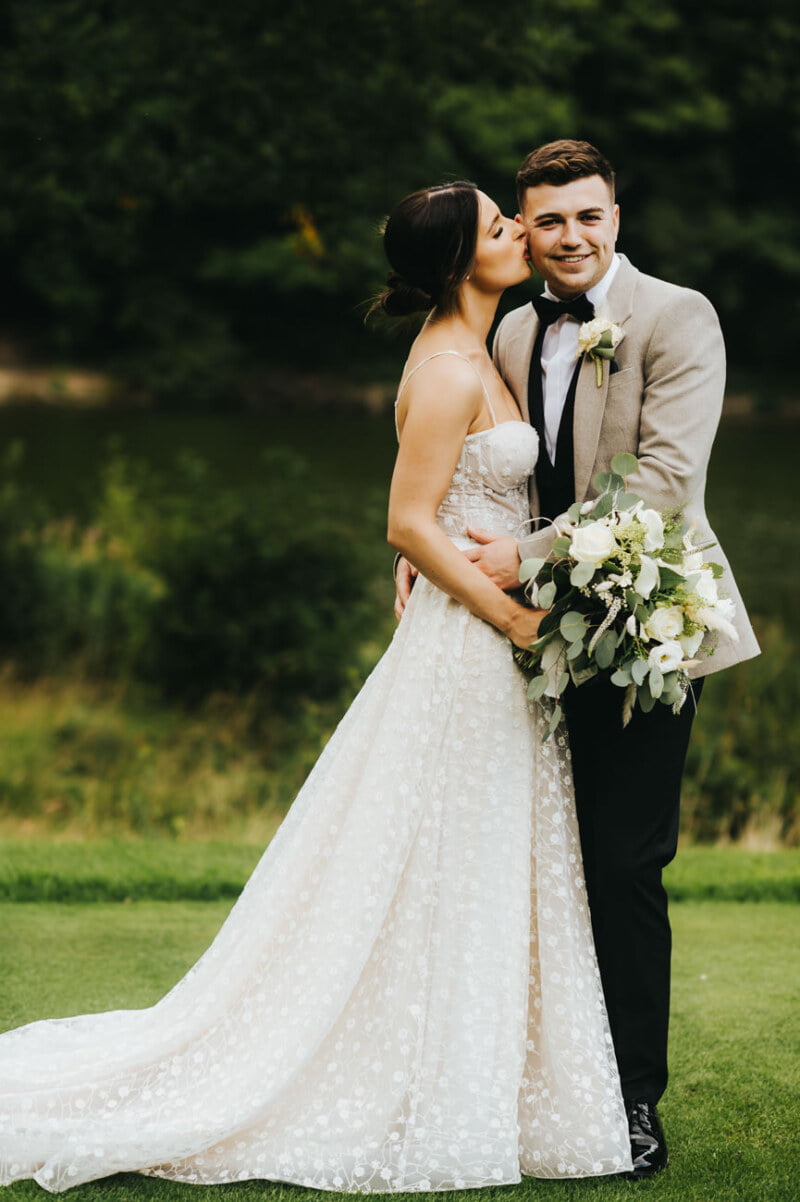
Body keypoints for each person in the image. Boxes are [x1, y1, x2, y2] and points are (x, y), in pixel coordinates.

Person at [0, 181, 634, 1192]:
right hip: (468, 646)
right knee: (442, 849)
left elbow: (472, 503)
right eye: (499, 225)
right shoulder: (441, 366)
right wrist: (513, 615)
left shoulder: (494, 345)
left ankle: (490, 1081)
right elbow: (408, 521)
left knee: (477, 854)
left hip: (485, 638)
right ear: (460, 261)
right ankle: (408, 1077)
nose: (519, 231)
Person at [396, 140, 760, 1180]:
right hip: (520, 637)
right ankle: (538, 1080)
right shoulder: (509, 327)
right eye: (543, 220)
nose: (566, 237)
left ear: (613, 216)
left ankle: (631, 1098)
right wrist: (436, 545)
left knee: (622, 862)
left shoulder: (675, 316)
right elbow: (475, 466)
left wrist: (523, 554)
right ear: (524, 222)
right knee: (533, 860)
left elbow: (660, 480)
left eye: (585, 216)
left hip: (643, 627)